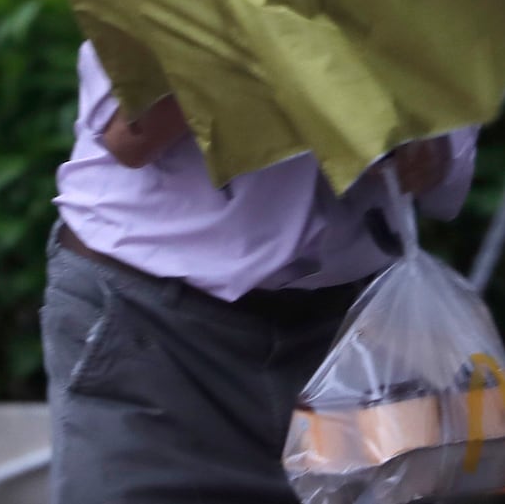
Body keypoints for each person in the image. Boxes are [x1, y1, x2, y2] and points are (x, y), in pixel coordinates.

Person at [41, 40, 479, 503]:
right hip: (151, 326)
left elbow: (441, 154)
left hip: (348, 329)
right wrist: (280, 40)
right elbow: (132, 131)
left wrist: (420, 145)